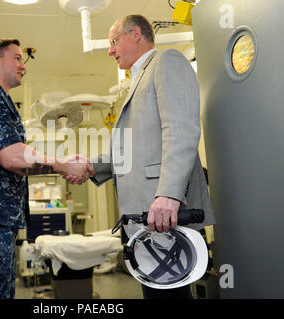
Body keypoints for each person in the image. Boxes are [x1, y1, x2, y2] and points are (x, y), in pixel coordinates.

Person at [75, 15, 216, 299]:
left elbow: (181, 130)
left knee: (169, 296)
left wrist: (168, 194)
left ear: (136, 34)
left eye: (114, 41)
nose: (110, 50)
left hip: (162, 211)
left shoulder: (166, 62)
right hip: (145, 216)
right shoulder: (139, 78)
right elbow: (132, 150)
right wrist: (92, 166)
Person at [0, 38, 91, 299]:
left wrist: (63, 166)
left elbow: (19, 164)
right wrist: (63, 165)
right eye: (17, 58)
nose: (23, 66)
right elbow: (12, 157)